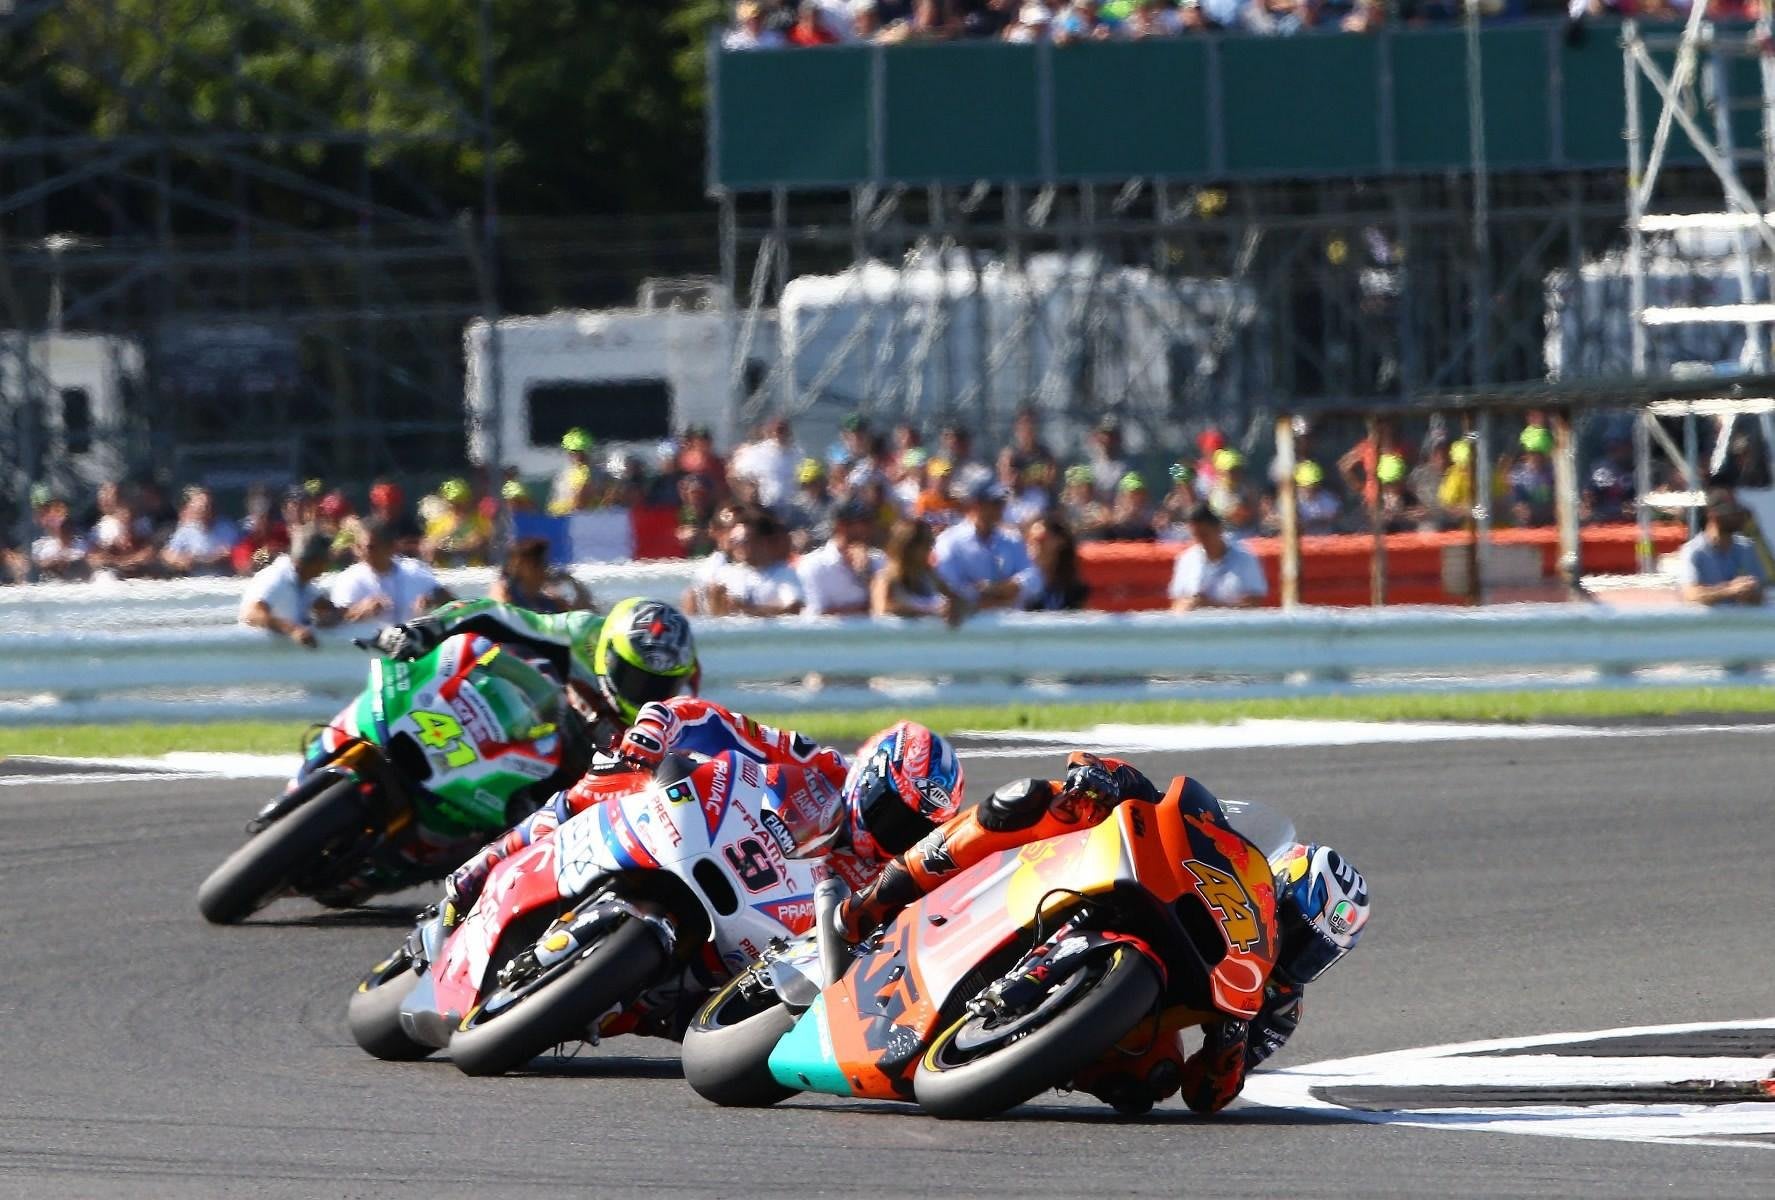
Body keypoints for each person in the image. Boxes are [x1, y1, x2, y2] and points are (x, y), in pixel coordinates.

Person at [832, 751, 1369, 1116]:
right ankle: (878, 896)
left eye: (1317, 955)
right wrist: (1103, 776)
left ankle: (1028, 1053)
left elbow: (1206, 1097)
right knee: (1031, 799)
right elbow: (1160, 800)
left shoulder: (1279, 1008)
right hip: (1084, 879)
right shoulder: (1235, 867)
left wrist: (1231, 1039)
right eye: (1298, 930)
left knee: (1152, 1079)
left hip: (1147, 998)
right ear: (1278, 889)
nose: (1299, 954)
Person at [438, 701, 966, 1007]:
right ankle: (489, 860)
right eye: (891, 811)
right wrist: (652, 733)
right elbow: (717, 722)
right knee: (613, 778)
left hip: (752, 947)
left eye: (913, 829)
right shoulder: (819, 762)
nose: (894, 833)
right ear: (869, 775)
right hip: (706, 842)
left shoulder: (889, 878)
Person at [371, 595, 700, 753]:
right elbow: (497, 615)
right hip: (524, 728)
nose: (644, 692)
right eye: (634, 677)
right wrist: (426, 628)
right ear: (608, 651)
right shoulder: (583, 634)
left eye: (659, 685)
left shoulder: (680, 709)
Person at [330, 517, 454, 624]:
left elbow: (453, 604)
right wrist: (359, 610)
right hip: (370, 643)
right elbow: (332, 620)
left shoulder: (414, 571)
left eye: (372, 547)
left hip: (413, 641)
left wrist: (432, 603)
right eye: (360, 547)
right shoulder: (349, 579)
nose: (363, 552)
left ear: (391, 547)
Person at [932, 479, 1030, 609]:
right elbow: (948, 585)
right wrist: (981, 594)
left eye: (1002, 502)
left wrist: (1001, 588)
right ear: (976, 504)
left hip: (1010, 618)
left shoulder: (1012, 539)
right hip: (969, 619)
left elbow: (1032, 578)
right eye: (994, 503)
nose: (1000, 508)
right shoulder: (949, 541)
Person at [238, 529, 341, 648]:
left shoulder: (303, 581)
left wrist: (332, 616)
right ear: (313, 562)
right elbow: (252, 615)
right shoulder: (275, 577)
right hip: (255, 652)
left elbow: (325, 606)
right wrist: (292, 630)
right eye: (325, 561)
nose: (326, 566)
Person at [1169, 502, 1268, 611]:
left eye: (1205, 535)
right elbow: (1176, 605)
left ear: (1218, 529)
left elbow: (1254, 604)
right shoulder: (1186, 560)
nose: (1200, 541)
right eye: (1195, 536)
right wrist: (1188, 606)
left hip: (1234, 622)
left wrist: (1211, 606)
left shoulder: (1246, 559)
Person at [1676, 493, 1766, 607]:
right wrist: (1729, 590)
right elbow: (1691, 595)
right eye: (1732, 513)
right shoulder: (1693, 551)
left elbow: (1760, 594)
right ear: (1713, 515)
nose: (1740, 517)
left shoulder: (1746, 547)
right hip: (1708, 619)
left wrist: (1751, 593)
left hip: (1740, 618)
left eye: (1739, 512)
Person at [707, 513, 806, 617]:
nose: (737, 546)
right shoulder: (730, 574)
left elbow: (794, 610)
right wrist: (716, 603)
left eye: (743, 541)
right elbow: (717, 615)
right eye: (734, 541)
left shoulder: (784, 574)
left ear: (762, 542)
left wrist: (745, 610)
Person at [872, 518, 966, 625]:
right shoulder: (885, 579)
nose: (930, 549)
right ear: (908, 547)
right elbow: (882, 610)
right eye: (926, 544)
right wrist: (929, 611)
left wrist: (954, 608)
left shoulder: (931, 576)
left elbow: (957, 600)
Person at [798, 500, 885, 616]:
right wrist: (866, 608)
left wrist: (866, 574)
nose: (870, 528)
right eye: (864, 522)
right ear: (841, 526)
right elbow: (817, 615)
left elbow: (888, 607)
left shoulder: (879, 560)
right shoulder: (813, 565)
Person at [490, 537, 592, 613]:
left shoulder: (549, 601)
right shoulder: (504, 592)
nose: (544, 569)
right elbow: (498, 611)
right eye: (537, 564)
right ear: (521, 567)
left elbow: (585, 615)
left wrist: (574, 582)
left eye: (544, 563)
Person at [1015, 513, 1089, 610]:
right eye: (1030, 540)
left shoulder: (1076, 586)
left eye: (1040, 539)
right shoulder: (1023, 582)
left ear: (1060, 541)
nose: (1033, 546)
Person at [160, 486, 238, 576]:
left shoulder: (227, 527)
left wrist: (201, 559)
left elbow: (230, 554)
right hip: (195, 580)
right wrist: (181, 559)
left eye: (206, 507)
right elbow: (168, 555)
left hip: (224, 578)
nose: (202, 510)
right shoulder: (187, 529)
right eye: (198, 507)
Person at [549, 428, 601, 516]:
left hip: (583, 516)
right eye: (573, 452)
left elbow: (581, 502)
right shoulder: (564, 473)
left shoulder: (592, 472)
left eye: (579, 452)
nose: (577, 455)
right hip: (564, 516)